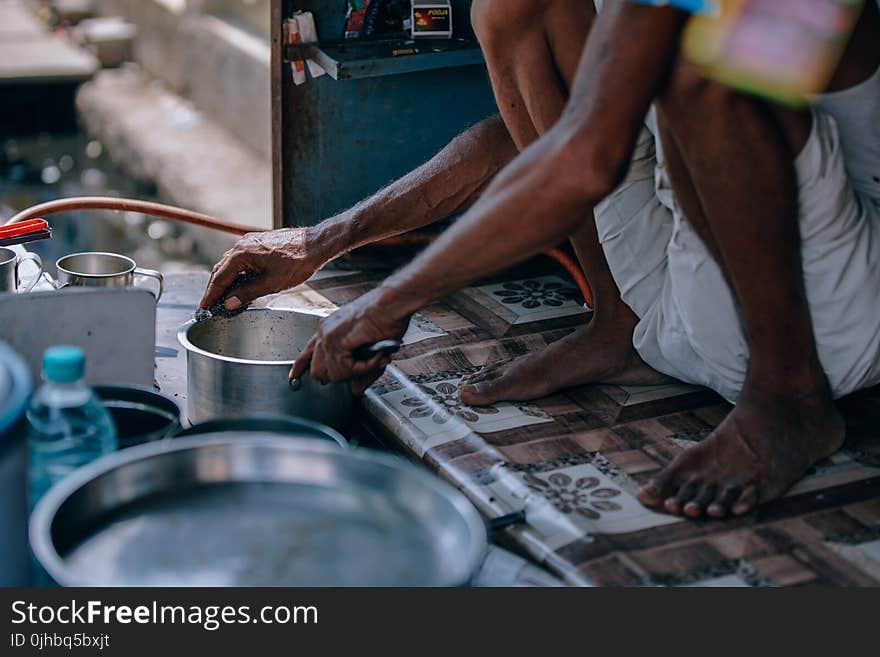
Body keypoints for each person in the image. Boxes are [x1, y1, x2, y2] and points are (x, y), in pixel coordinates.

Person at [205, 1, 880, 518]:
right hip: (683, 301)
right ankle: (619, 322)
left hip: (826, 321)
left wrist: (390, 299)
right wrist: (318, 242)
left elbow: (585, 159)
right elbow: (533, 138)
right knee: (513, 12)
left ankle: (788, 398)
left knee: (706, 61)